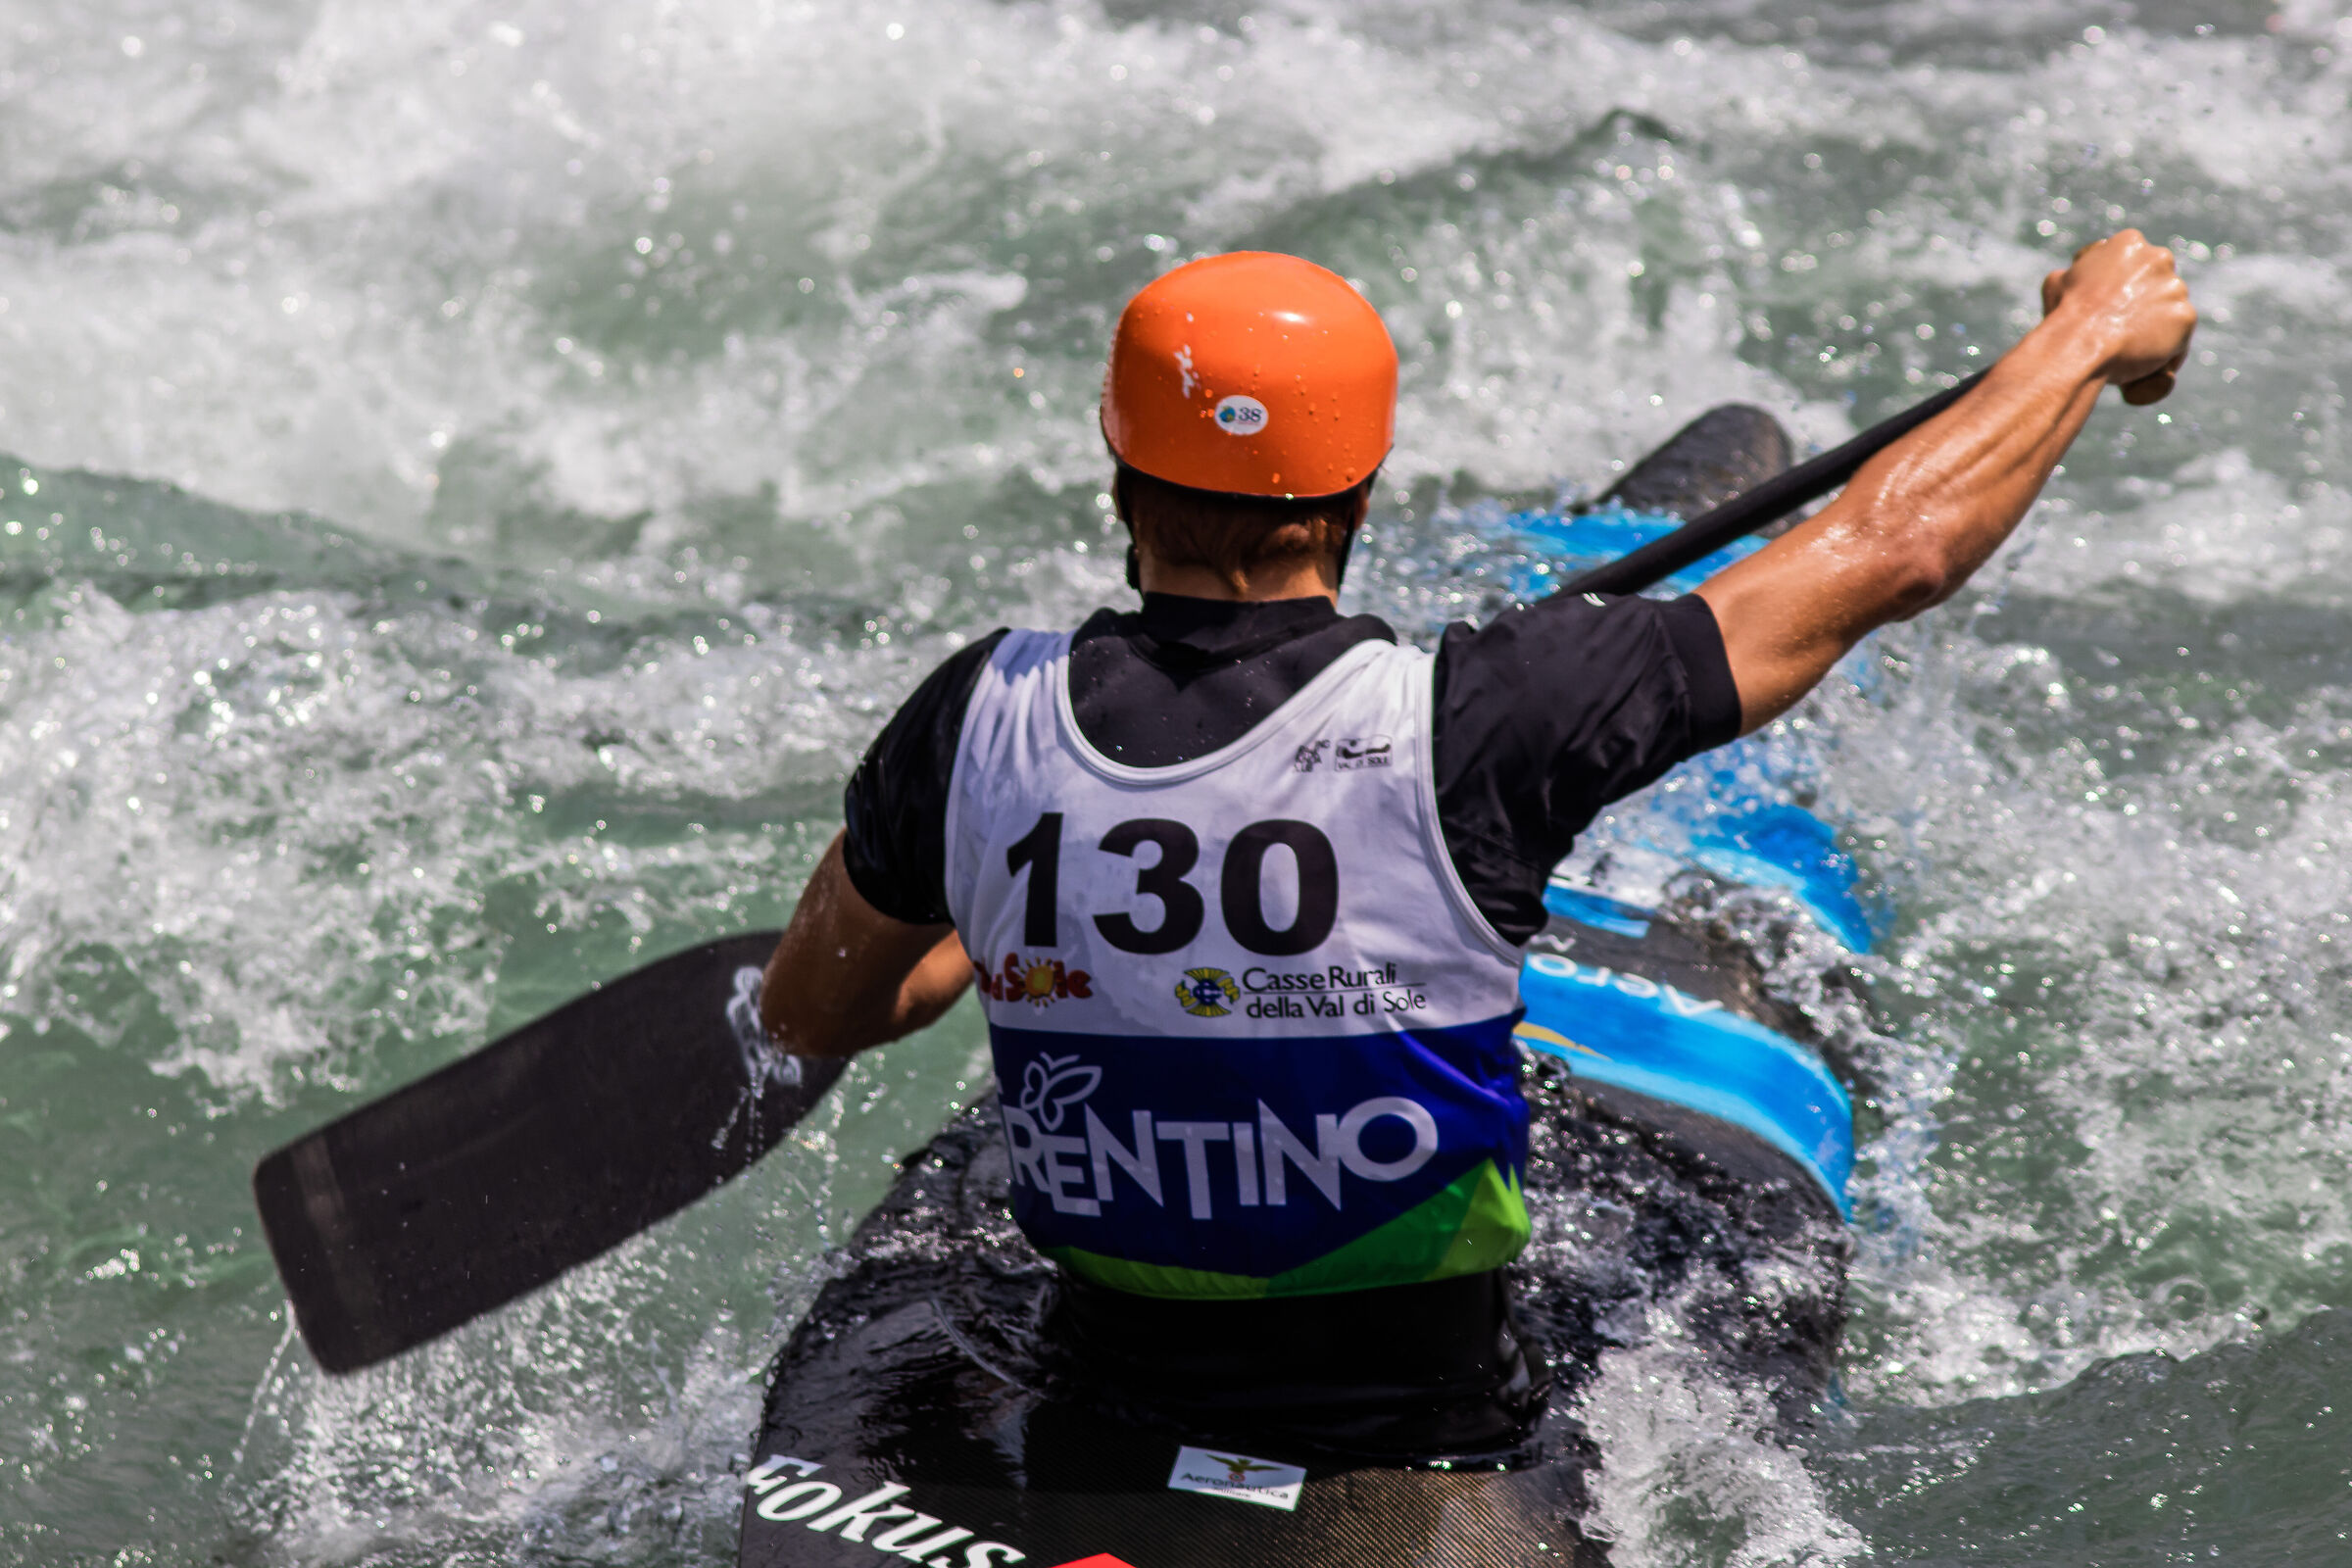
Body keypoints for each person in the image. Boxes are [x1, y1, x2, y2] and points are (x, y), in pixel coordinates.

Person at [756, 234, 2196, 1455]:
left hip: (1101, 1390)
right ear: (1360, 492)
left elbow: (816, 1011)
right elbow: (1896, 552)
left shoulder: (977, 719)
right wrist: (2082, 339)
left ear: (1117, 471)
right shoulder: (1483, 718)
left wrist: (994, 923)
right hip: (1425, 1429)